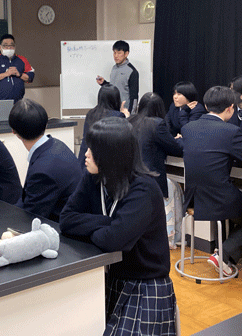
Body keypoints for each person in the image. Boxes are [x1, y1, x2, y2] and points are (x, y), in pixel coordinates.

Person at [60, 117, 177, 336]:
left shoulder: (143, 189)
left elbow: (113, 241)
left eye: (92, 150)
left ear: (111, 155)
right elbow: (66, 219)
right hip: (112, 279)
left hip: (145, 284)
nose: (86, 154)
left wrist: (103, 229)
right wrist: (108, 223)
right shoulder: (94, 178)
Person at [181, 86, 242, 276]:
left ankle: (223, 254)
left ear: (206, 106)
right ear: (230, 108)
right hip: (218, 199)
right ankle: (223, 255)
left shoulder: (188, 128)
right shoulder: (230, 131)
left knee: (237, 206)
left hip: (193, 198)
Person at [9, 99, 81, 222]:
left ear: (14, 131)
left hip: (61, 226)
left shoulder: (42, 171)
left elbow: (31, 216)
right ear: (46, 124)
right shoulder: (56, 145)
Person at [128, 92, 183, 198]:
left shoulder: (130, 120)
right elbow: (175, 148)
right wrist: (180, 139)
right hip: (151, 177)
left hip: (130, 176)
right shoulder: (157, 124)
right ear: (159, 108)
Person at [78, 85, 126, 168]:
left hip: (85, 161)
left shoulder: (90, 113)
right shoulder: (118, 116)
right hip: (104, 164)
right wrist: (127, 117)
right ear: (116, 99)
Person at [0, 34, 35, 102]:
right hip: (0, 101)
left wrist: (19, 74)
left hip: (19, 101)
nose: (9, 47)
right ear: (0, 47)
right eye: (5, 45)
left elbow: (30, 77)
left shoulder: (22, 59)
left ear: (15, 47)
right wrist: (6, 74)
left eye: (11, 45)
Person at [96, 40, 139, 113]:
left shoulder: (132, 71)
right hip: (112, 110)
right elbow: (115, 87)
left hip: (124, 112)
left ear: (126, 54)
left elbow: (134, 97)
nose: (116, 56)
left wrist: (131, 115)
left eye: (119, 53)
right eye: (114, 52)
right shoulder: (114, 68)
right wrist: (104, 83)